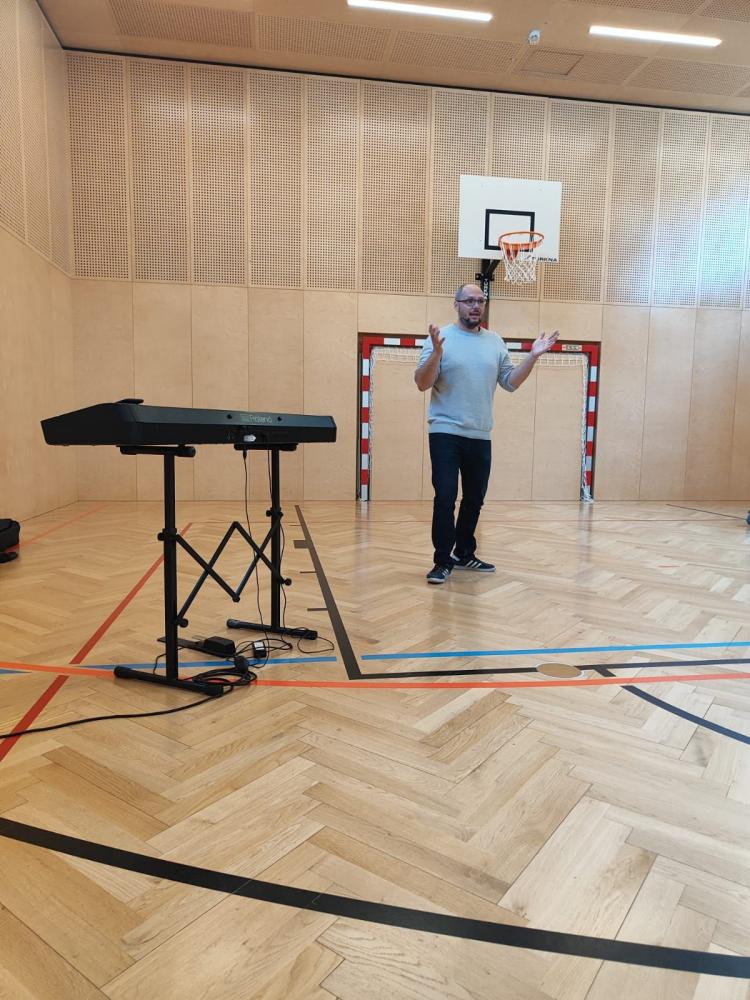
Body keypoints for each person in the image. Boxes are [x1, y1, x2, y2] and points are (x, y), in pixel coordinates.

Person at [414, 283, 559, 584]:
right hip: (445, 432)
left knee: (474, 499)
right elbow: (422, 383)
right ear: (456, 304)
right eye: (469, 300)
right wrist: (436, 354)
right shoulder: (440, 338)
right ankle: (442, 561)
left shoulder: (495, 342)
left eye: (480, 300)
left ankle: (464, 552)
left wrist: (532, 356)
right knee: (445, 496)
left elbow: (510, 382)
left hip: (480, 435)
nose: (476, 306)